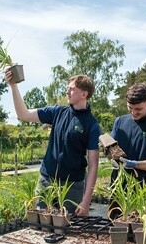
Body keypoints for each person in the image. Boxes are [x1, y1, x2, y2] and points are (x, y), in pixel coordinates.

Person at [5, 71, 100, 216]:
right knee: (41, 227)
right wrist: (13, 86)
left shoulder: (92, 125)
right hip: (46, 181)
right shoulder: (57, 112)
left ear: (84, 94)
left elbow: (93, 165)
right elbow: (23, 114)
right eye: (67, 88)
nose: (67, 91)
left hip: (72, 186)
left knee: (71, 230)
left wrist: (86, 202)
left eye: (72, 89)